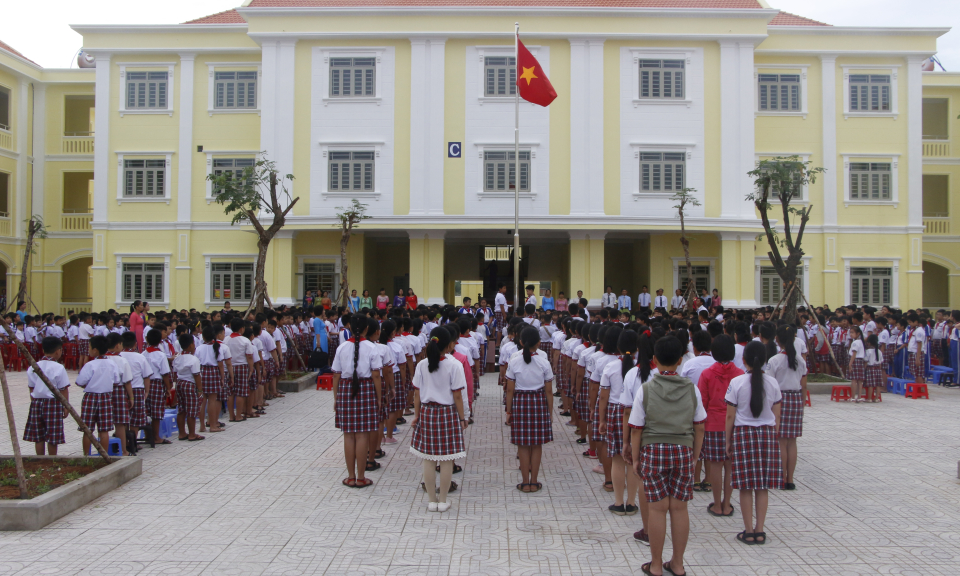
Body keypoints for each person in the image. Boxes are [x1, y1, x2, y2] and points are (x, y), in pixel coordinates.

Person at [629, 336, 706, 576]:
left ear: (654, 360)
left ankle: (655, 565)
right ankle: (678, 563)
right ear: (681, 360)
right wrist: (694, 456)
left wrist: (635, 458)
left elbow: (636, 428)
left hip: (653, 450)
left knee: (657, 509)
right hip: (683, 450)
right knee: (680, 509)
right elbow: (700, 426)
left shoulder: (646, 389)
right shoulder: (692, 389)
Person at [725, 341, 783, 546]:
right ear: (765, 360)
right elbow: (777, 415)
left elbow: (730, 416)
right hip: (766, 435)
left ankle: (748, 530)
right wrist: (773, 436)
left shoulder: (737, 382)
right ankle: (760, 530)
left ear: (743, 360)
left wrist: (727, 440)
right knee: (762, 486)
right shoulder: (773, 383)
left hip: (743, 434)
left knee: (745, 486)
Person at [410, 327, 467, 512]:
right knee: (446, 459)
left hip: (427, 412)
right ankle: (443, 501)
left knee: (428, 458)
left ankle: (431, 500)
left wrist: (417, 415)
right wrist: (462, 417)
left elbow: (417, 394)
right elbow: (457, 395)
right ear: (449, 345)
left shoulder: (421, 365)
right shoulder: (454, 365)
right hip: (447, 413)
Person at [331, 316, 383, 489]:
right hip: (366, 388)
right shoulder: (371, 348)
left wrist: (336, 398)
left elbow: (336, 375)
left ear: (350, 328)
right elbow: (376, 375)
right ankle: (361, 477)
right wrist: (378, 397)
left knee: (348, 434)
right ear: (367, 328)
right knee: (362, 434)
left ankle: (351, 476)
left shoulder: (342, 347)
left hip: (346, 389)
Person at [697, 334, 742, 518]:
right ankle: (727, 503)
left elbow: (702, 402)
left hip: (713, 423)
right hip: (734, 424)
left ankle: (717, 504)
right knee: (730, 465)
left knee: (715, 465)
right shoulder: (740, 374)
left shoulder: (707, 374)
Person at [506, 326, 554, 493]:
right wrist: (550, 412)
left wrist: (508, 411)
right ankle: (534, 481)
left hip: (520, 402)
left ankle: (525, 482)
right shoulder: (544, 362)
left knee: (523, 443)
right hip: (538, 401)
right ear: (539, 343)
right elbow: (549, 391)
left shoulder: (514, 361)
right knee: (536, 443)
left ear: (520, 342)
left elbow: (509, 390)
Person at [600, 329, 638, 515]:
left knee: (617, 459)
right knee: (633, 460)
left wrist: (601, 419)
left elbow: (604, 396)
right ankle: (631, 502)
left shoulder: (611, 367)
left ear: (618, 347)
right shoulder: (643, 368)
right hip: (637, 414)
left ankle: (618, 502)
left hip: (615, 412)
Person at [766, 325, 806, 492]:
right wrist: (802, 403)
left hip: (780, 399)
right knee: (792, 441)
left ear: (777, 340)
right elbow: (804, 384)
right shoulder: (801, 360)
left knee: (781, 440)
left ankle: (781, 478)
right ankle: (790, 479)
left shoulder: (774, 360)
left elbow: (769, 384)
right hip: (796, 398)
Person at [23, 337, 71, 455]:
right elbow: (63, 389)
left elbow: (31, 388)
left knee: (39, 436)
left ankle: (40, 459)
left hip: (37, 402)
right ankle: (52, 460)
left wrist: (33, 402)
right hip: (53, 403)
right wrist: (66, 406)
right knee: (52, 436)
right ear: (58, 351)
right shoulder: (59, 367)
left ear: (43, 350)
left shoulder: (33, 367)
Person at [76, 335, 121, 456]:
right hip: (106, 397)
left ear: (95, 350)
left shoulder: (90, 365)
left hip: (90, 397)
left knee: (87, 430)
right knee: (104, 430)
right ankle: (104, 455)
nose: (89, 350)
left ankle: (86, 455)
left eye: (90, 347)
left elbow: (80, 381)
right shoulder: (112, 364)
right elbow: (116, 381)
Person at [142, 329, 173, 445]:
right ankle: (156, 437)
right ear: (160, 341)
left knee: (146, 410)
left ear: (146, 340)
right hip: (156, 383)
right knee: (156, 412)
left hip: (145, 383)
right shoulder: (161, 355)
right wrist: (168, 388)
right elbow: (165, 373)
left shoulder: (143, 354)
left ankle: (147, 435)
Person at [173, 334, 204, 441]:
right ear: (191, 345)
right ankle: (192, 434)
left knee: (181, 409)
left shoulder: (177, 358)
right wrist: (200, 389)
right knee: (191, 409)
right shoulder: (193, 359)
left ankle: (181, 433)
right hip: (190, 384)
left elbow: (175, 373)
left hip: (180, 383)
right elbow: (196, 375)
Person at [847, 325, 866, 402]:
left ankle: (852, 396)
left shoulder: (855, 342)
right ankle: (859, 396)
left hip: (855, 361)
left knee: (854, 380)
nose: (851, 334)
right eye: (850, 332)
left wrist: (850, 364)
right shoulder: (861, 341)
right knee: (860, 380)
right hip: (860, 361)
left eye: (852, 332)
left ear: (858, 333)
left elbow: (854, 354)